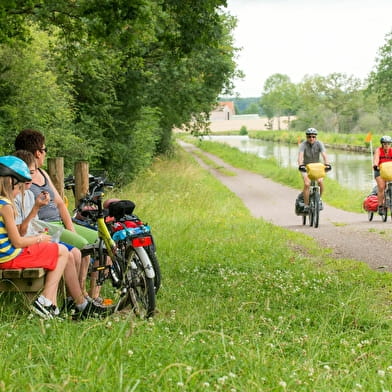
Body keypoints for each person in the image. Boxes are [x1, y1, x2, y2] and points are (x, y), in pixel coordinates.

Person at [0, 156, 106, 319]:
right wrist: (39, 239)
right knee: (61, 251)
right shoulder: (5, 206)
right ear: (10, 182)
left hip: (8, 254)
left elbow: (18, 233)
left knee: (60, 251)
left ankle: (51, 304)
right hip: (9, 257)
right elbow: (18, 241)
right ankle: (47, 301)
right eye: (18, 187)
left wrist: (35, 212)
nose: (19, 192)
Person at [14, 129, 97, 298]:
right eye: (45, 150)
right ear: (38, 153)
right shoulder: (23, 183)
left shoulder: (43, 173)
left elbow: (59, 203)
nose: (45, 154)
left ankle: (94, 295)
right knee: (83, 246)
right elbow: (26, 224)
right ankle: (79, 295)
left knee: (100, 240)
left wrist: (71, 228)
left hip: (60, 223)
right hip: (46, 226)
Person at [298, 127, 330, 211]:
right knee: (307, 184)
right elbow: (300, 156)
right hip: (306, 168)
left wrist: (327, 164)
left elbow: (324, 155)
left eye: (313, 136)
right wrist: (301, 165)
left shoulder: (319, 144)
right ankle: (306, 205)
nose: (311, 138)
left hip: (317, 167)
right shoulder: (303, 145)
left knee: (320, 181)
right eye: (309, 136)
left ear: (316, 137)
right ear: (306, 137)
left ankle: (319, 199)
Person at [373, 135, 392, 215]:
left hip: (390, 171)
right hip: (379, 171)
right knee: (381, 187)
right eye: (385, 144)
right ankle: (380, 206)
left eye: (388, 143)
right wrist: (375, 165)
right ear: (382, 144)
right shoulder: (378, 150)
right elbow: (376, 159)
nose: (387, 145)